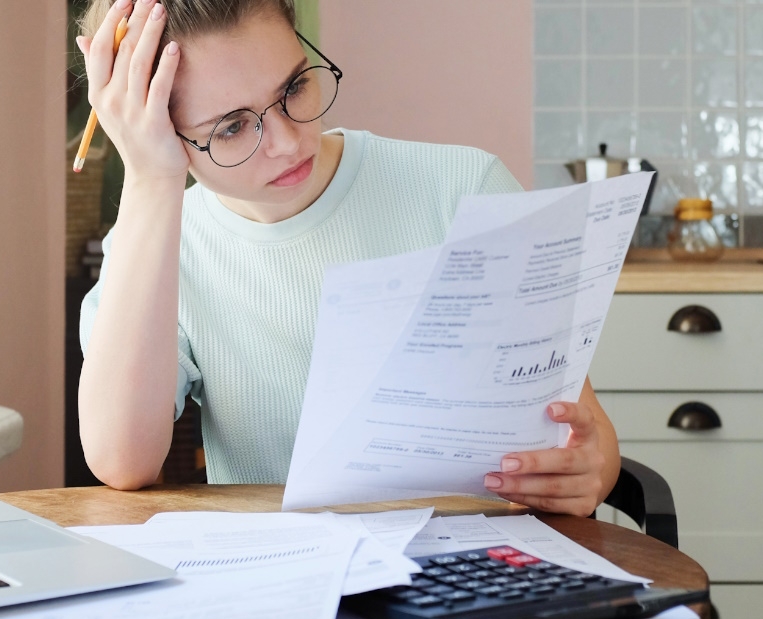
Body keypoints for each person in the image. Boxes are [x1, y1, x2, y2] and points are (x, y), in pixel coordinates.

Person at [75, 0, 620, 517]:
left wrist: (591, 468)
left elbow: (583, 430)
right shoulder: (157, 246)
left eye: (294, 87)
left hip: (474, 568)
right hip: (287, 584)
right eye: (232, 127)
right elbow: (122, 461)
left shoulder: (464, 189)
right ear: (157, 133)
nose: (288, 142)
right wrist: (150, 179)